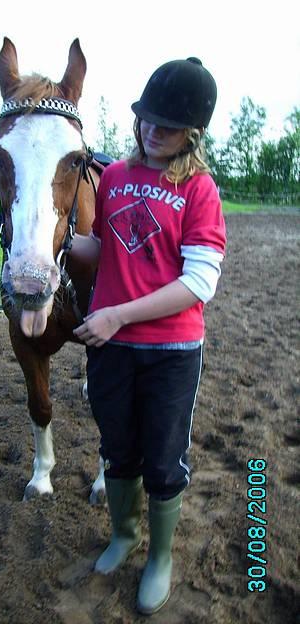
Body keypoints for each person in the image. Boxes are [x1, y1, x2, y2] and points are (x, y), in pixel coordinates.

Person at [71, 57, 226, 614]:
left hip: (170, 351)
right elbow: (101, 250)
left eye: (166, 125)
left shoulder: (200, 190)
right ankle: (123, 534)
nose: (151, 131)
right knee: (118, 449)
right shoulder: (113, 177)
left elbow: (199, 282)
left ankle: (159, 556)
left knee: (163, 459)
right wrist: (58, 242)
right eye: (145, 120)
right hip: (110, 347)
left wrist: (118, 314)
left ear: (192, 133)